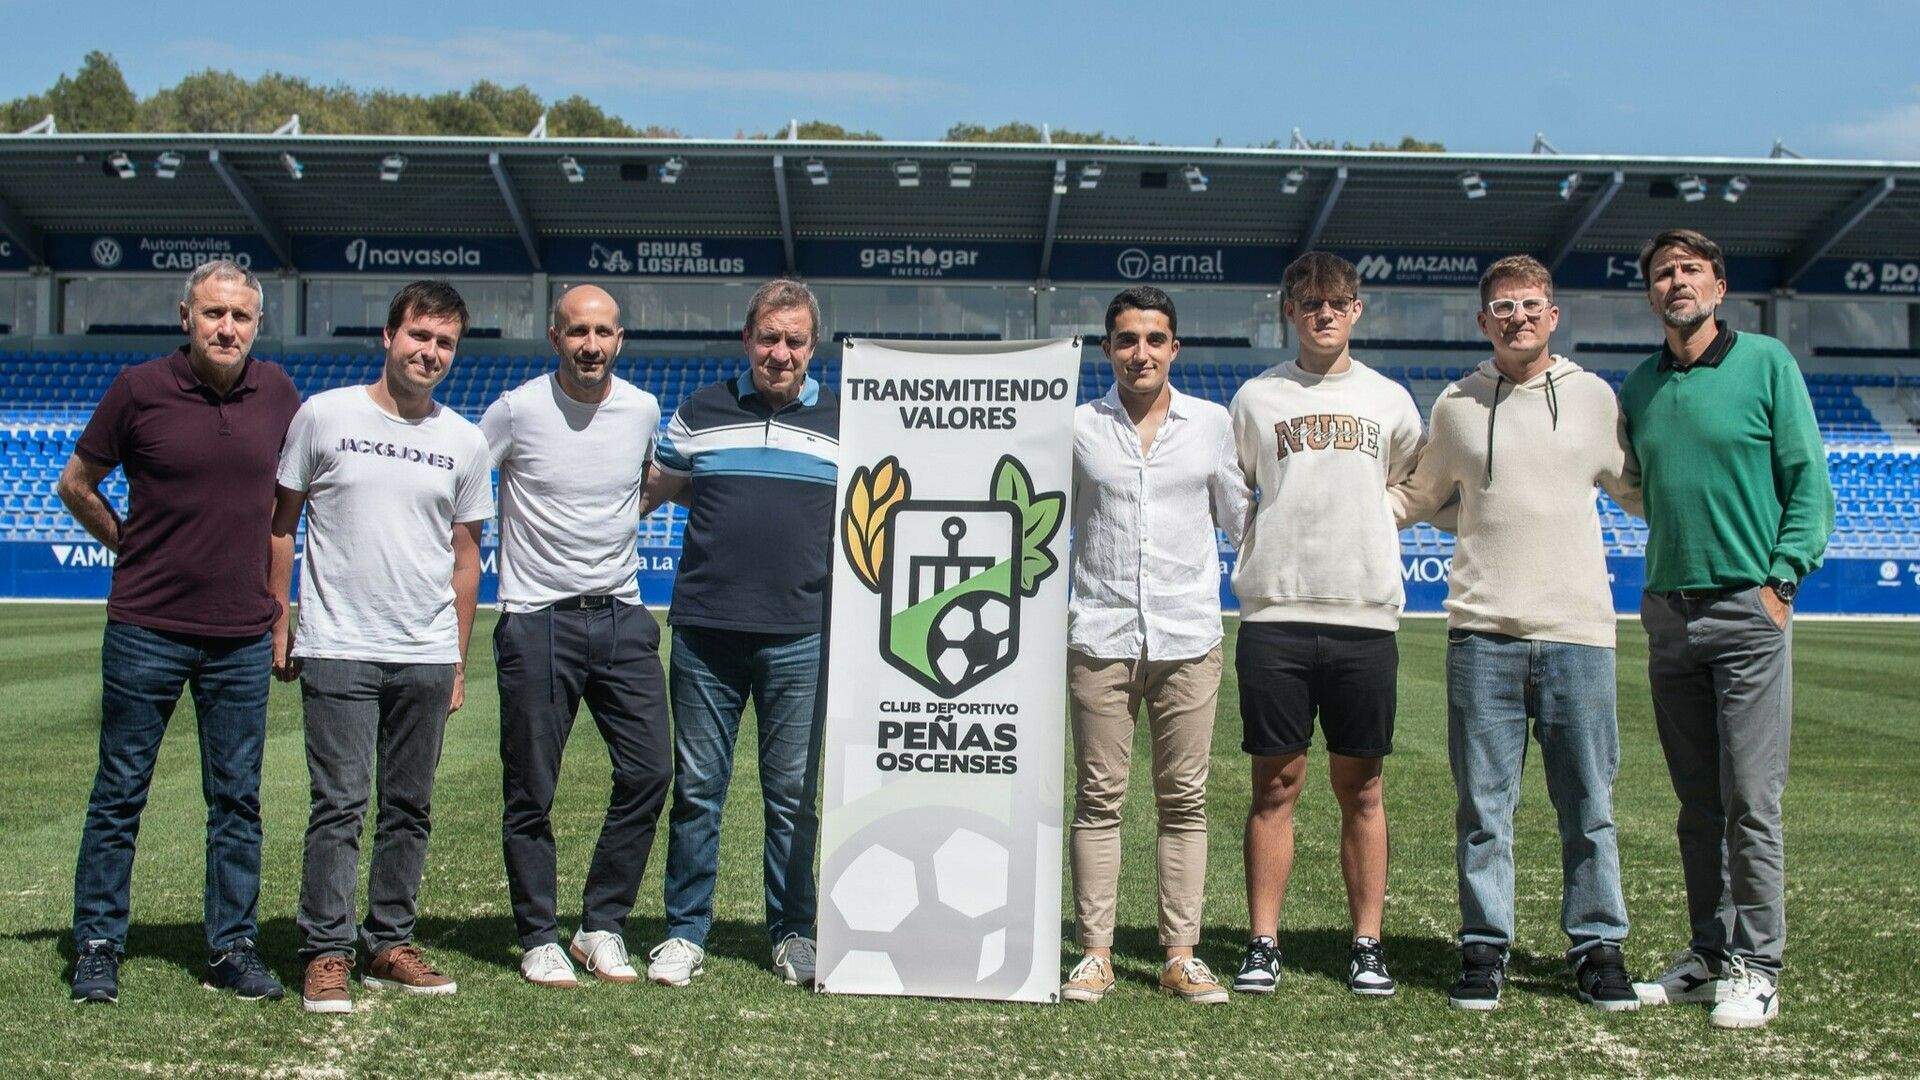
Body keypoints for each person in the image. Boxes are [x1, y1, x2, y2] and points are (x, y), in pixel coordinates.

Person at [1389, 255, 1642, 1011]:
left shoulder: (1595, 400)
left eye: (1531, 304)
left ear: (1553, 315)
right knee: (1482, 810)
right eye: (1503, 307)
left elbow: (1643, 492)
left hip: (1578, 636)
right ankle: (1484, 946)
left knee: (1588, 805)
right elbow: (1419, 496)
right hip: (1482, 635)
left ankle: (1597, 946)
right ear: (1483, 321)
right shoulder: (1457, 406)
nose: (1518, 317)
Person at [57, 260, 300, 1004]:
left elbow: (287, 514)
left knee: (236, 799)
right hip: (147, 628)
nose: (227, 328)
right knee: (121, 791)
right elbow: (75, 484)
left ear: (258, 325)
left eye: (241, 317)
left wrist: (280, 607)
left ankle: (231, 949)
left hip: (239, 634)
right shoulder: (139, 389)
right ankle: (98, 944)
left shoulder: (281, 394)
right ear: (186, 316)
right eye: (213, 314)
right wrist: (128, 544)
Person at [1620, 230, 1833, 1030]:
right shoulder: (1639, 387)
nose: (1677, 283)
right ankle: (1708, 956)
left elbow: (1807, 479)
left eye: (1690, 270)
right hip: (1669, 612)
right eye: (1663, 273)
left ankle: (1758, 964)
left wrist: (1782, 580)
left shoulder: (1768, 363)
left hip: (1748, 608)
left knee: (1751, 799)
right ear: (1651, 295)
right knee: (1696, 804)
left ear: (1718, 282)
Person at [269, 281, 493, 1014]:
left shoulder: (464, 441)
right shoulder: (324, 415)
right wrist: (281, 614)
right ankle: (327, 951)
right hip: (339, 646)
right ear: (388, 337)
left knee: (410, 806)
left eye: (444, 343)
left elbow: (467, 560)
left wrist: (456, 659)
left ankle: (389, 941)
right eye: (418, 336)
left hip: (425, 653)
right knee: (338, 803)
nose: (429, 352)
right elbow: (281, 524)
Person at [1227, 251, 1422, 997]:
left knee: (1362, 788)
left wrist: (1381, 512)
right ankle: (1263, 940)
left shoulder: (1390, 400)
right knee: (1275, 785)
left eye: (1337, 301)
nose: (1324, 313)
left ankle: (1366, 942)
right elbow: (1243, 483)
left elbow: (1410, 480)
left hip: (1363, 615)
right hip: (1276, 612)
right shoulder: (1256, 399)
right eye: (1309, 302)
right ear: (1289, 311)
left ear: (1357, 309)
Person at [639, 279, 839, 988]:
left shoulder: (847, 423)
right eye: (768, 337)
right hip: (704, 635)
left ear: (814, 347)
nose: (779, 352)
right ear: (747, 338)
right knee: (698, 789)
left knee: (792, 797)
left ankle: (792, 932)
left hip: (801, 637)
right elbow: (652, 492)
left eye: (794, 340)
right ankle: (686, 931)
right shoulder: (700, 412)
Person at [1060, 286, 1248, 1006]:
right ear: (1108, 348)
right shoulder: (1077, 426)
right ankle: (1096, 954)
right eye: (1127, 338)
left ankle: (1180, 954)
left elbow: (1238, 517)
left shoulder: (1212, 424)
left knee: (1184, 801)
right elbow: (1050, 523)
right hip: (1100, 636)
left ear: (1175, 349)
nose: (1141, 352)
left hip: (1188, 636)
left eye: (1155, 339)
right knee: (1099, 798)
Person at [482, 285, 670, 988]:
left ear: (620, 339)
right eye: (577, 331)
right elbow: (466, 484)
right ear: (554, 336)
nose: (591, 344)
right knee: (531, 787)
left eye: (604, 332)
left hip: (624, 617)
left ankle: (601, 925)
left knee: (651, 770)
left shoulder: (644, 409)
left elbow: (655, 479)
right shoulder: (516, 410)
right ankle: (537, 935)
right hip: (538, 619)